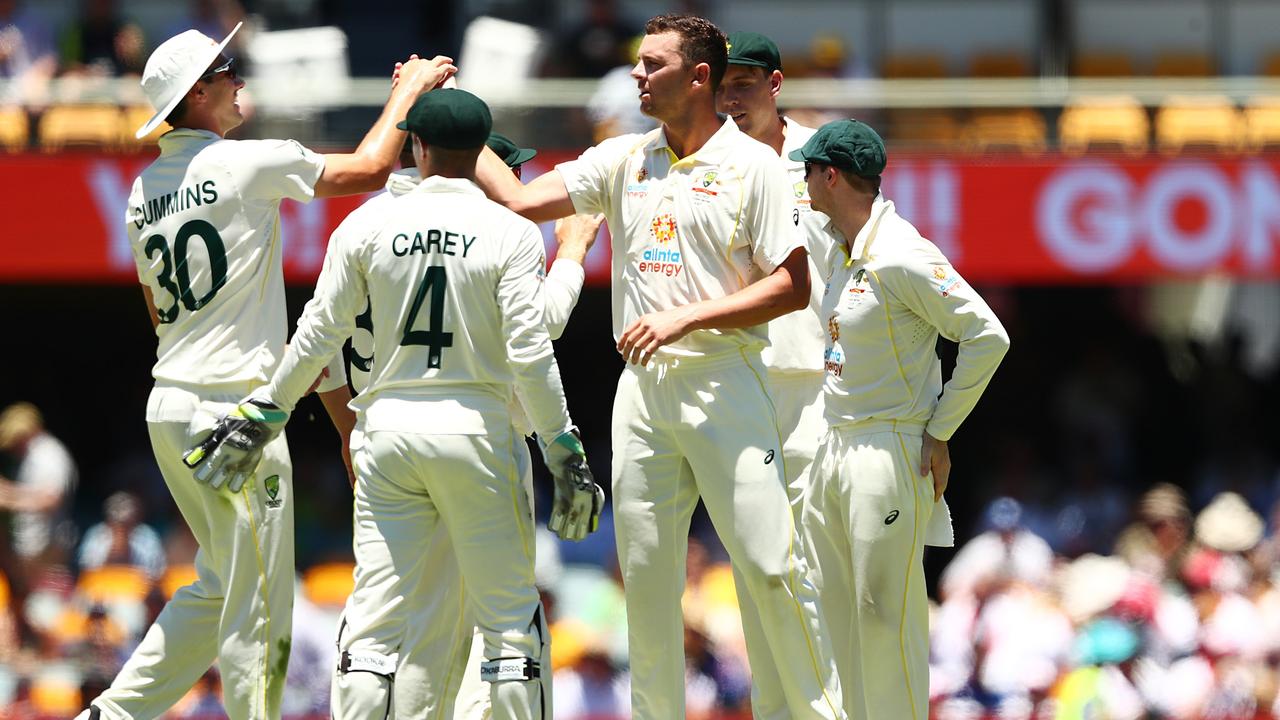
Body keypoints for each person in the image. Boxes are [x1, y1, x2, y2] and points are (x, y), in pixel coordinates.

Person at [186, 87, 605, 720]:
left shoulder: (364, 224)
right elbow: (532, 351)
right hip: (475, 429)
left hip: (384, 433)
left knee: (375, 625)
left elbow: (316, 335)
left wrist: (267, 410)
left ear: (417, 146)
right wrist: (563, 448)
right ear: (484, 158)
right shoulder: (510, 231)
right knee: (510, 623)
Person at [78, 21, 456, 720]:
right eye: (225, 69)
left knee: (222, 588)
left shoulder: (140, 192)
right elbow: (372, 170)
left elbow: (158, 315)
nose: (238, 76)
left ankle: (115, 714)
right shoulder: (242, 163)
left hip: (172, 404)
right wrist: (406, 90)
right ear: (196, 95)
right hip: (237, 413)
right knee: (259, 603)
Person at [474, 13, 844, 720]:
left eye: (653, 65)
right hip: (642, 394)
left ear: (699, 76)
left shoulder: (755, 166)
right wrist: (445, 118)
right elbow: (521, 200)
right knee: (644, 583)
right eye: (638, 64)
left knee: (769, 568)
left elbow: (793, 284)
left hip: (725, 382)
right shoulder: (624, 157)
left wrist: (686, 316)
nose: (637, 77)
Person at [333, 124, 604, 719]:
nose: (521, 185)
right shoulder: (490, 239)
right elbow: (540, 331)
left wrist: (349, 440)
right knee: (504, 629)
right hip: (475, 444)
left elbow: (323, 360)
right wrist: (575, 253)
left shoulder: (374, 230)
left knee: (407, 636)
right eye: (511, 173)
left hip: (387, 445)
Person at [795, 118, 1010, 720]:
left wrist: (940, 430)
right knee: (838, 624)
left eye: (808, 171)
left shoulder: (901, 253)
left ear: (830, 175)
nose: (803, 182)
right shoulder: (842, 247)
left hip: (888, 450)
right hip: (834, 446)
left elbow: (986, 336)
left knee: (884, 618)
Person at [714, 31, 835, 720]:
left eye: (747, 82)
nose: (734, 97)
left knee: (814, 571)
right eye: (723, 84)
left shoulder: (823, 156)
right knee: (759, 573)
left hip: (817, 386)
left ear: (776, 84)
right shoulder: (705, 160)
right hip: (742, 384)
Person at [77, 490, 166, 581]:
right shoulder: (96, 535)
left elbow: (157, 573)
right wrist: (115, 549)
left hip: (138, 590)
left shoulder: (148, 536)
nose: (121, 526)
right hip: (102, 589)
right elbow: (87, 572)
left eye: (126, 522)